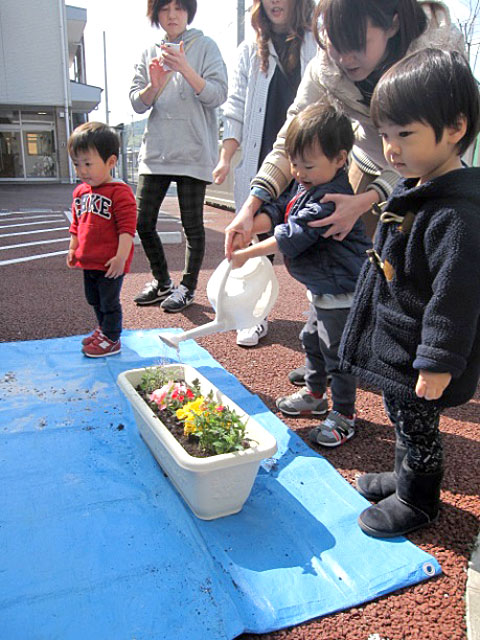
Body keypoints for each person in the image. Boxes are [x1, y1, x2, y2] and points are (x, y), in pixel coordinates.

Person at [339, 48, 480, 538]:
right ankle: (402, 479)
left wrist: (438, 361)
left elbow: (456, 296)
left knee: (418, 427)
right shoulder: (416, 188)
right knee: (399, 414)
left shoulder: (456, 214)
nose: (392, 148)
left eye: (405, 134)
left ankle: (418, 500)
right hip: (400, 340)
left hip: (421, 350)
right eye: (384, 134)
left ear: (455, 127)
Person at [224, 0, 464, 259]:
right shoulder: (327, 67)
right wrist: (251, 205)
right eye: (336, 43)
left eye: (357, 43)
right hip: (368, 157)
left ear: (392, 24)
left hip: (430, 169)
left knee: (415, 256)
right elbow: (291, 137)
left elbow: (425, 155)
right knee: (353, 254)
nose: (345, 58)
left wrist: (365, 201)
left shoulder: (435, 62)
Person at [231, 102, 371, 446]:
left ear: (340, 159)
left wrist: (245, 252)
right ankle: (315, 393)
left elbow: (293, 234)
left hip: (343, 291)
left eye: (307, 164)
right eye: (294, 162)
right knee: (311, 340)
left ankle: (344, 414)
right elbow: (281, 209)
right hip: (322, 288)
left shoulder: (332, 197)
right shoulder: (308, 184)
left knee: (337, 354)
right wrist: (251, 224)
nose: (297, 172)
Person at [213, 0, 317, 347]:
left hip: (310, 159)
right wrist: (226, 157)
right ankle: (253, 315)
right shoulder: (249, 50)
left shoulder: (317, 42)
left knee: (316, 235)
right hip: (263, 159)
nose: (275, 2)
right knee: (255, 240)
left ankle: (321, 318)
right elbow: (235, 108)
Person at [130, 0, 228, 313]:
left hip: (193, 149)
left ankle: (187, 286)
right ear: (155, 14)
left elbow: (218, 95)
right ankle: (162, 282)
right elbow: (137, 103)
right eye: (164, 8)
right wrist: (153, 86)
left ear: (189, 11)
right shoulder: (149, 52)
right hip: (156, 151)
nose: (172, 15)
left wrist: (185, 68)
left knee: (192, 226)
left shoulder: (206, 47)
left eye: (179, 7)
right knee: (142, 222)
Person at [67, 122, 137, 358]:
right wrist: (72, 248)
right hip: (88, 260)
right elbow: (76, 224)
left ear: (110, 162)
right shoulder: (81, 192)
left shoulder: (120, 192)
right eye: (77, 164)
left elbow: (127, 229)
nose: (82, 170)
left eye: (88, 163)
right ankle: (103, 329)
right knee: (93, 299)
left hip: (109, 263)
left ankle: (112, 338)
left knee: (109, 302)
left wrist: (121, 257)